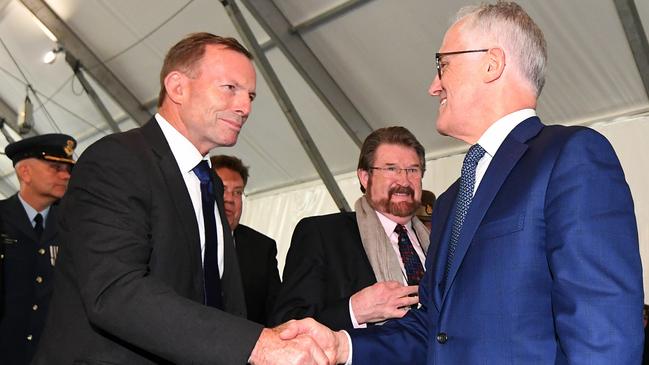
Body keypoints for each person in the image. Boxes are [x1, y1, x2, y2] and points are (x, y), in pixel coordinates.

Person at [283, 2, 644, 364]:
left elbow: (603, 332)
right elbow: (435, 327)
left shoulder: (569, 157)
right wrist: (341, 346)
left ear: (491, 64)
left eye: (443, 65)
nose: (433, 86)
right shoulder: (454, 197)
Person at [33, 33, 333, 365]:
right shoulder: (117, 160)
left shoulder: (208, 182)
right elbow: (116, 291)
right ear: (177, 87)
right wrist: (256, 345)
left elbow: (214, 299)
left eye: (250, 96)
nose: (245, 107)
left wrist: (272, 339)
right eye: (229, 88)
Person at [271, 126, 431, 331]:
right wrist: (354, 311)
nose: (404, 180)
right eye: (391, 169)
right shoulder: (322, 235)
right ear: (365, 177)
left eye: (412, 170)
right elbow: (287, 323)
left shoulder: (441, 242)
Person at [0, 133, 76, 364]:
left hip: (53, 353)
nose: (65, 175)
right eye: (55, 167)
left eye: (68, 169)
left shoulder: (75, 226)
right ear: (25, 173)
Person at [211, 154, 281, 326]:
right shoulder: (182, 236)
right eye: (222, 189)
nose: (229, 199)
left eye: (237, 192)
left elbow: (276, 311)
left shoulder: (262, 248)